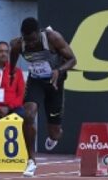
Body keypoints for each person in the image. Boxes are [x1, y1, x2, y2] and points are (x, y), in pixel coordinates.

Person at [9, 18, 77, 168]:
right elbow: (12, 58)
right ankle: (31, 160)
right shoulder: (18, 45)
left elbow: (73, 60)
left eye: (33, 40)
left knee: (55, 133)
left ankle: (54, 137)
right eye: (28, 40)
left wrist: (59, 70)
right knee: (28, 115)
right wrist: (11, 73)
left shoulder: (53, 38)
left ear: (38, 33)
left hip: (55, 83)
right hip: (36, 82)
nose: (31, 44)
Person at [0, 40, 37, 174]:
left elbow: (21, 95)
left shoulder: (17, 72)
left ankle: (28, 158)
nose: (3, 54)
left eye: (6, 51)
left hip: (12, 107)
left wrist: (9, 107)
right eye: (0, 51)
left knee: (26, 118)